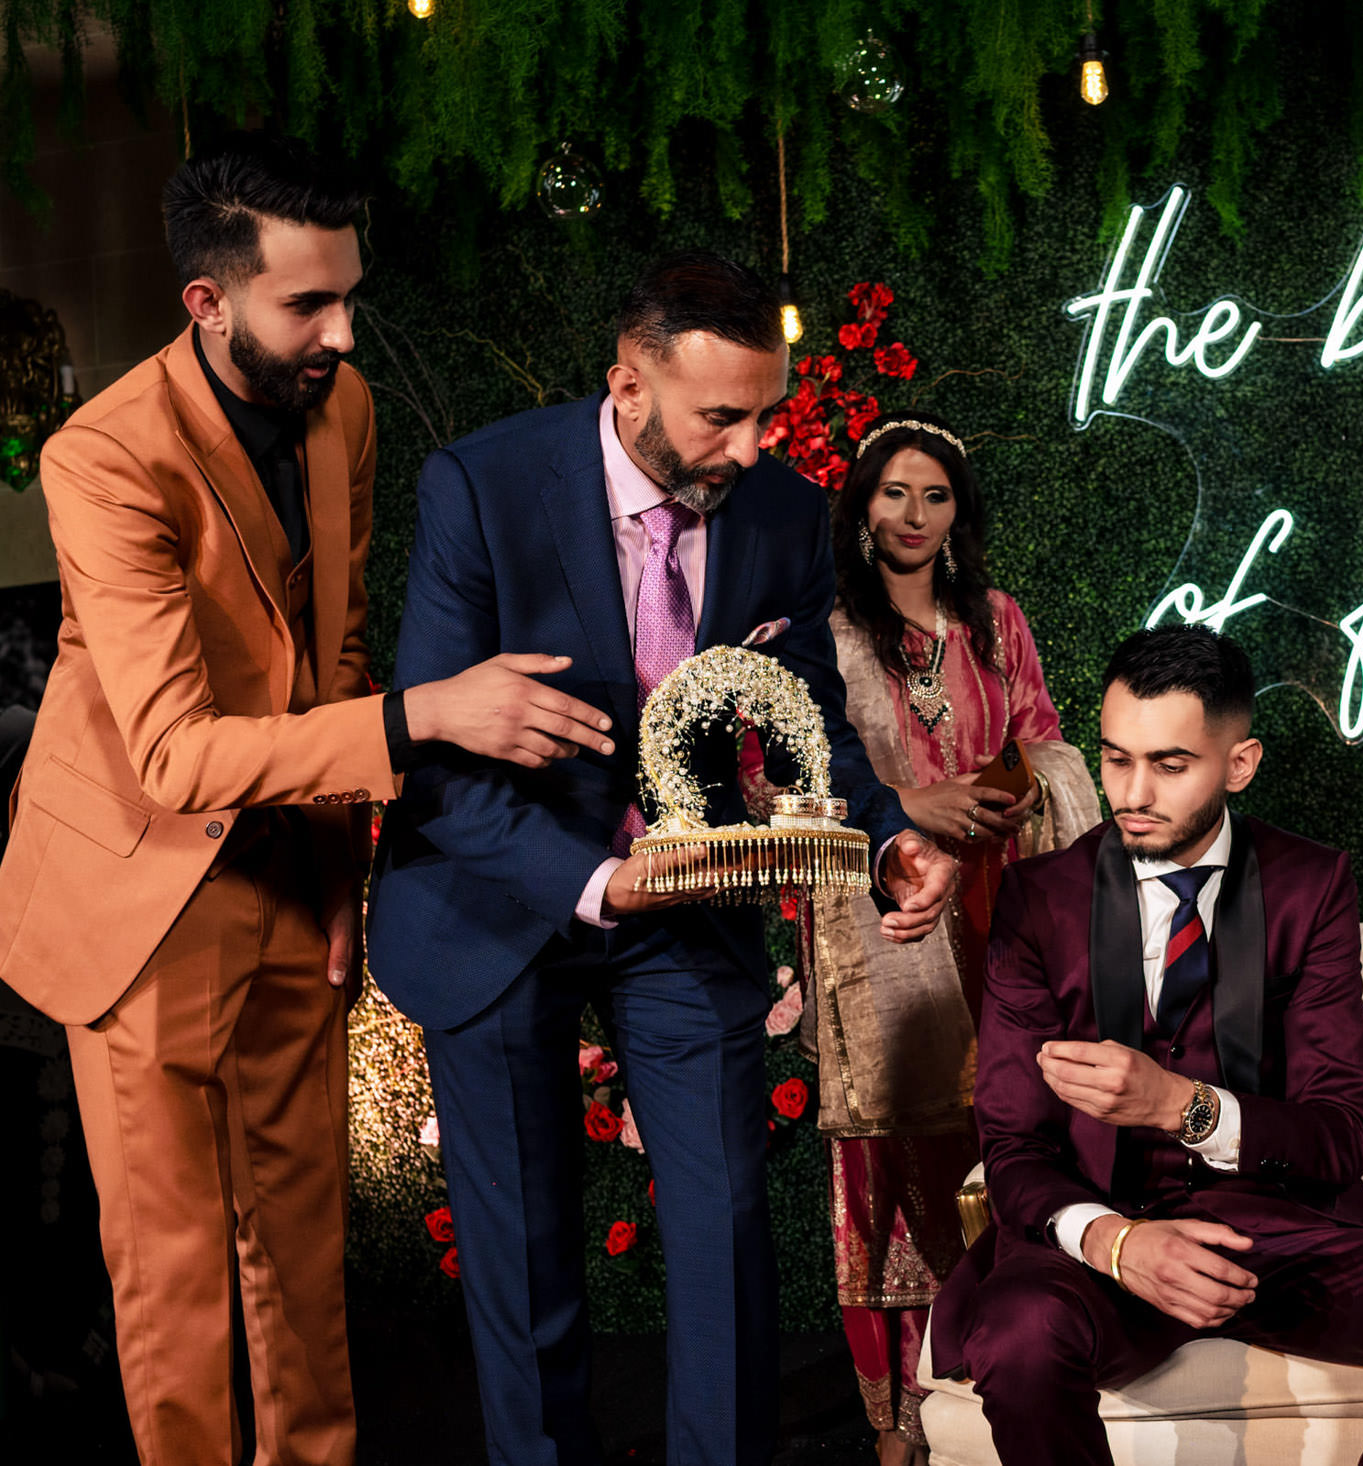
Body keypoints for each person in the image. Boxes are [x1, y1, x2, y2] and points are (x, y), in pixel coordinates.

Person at [0, 132, 616, 1466]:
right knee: (176, 1282)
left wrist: (345, 880)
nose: (342, 331)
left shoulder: (344, 407)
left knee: (303, 1254)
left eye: (350, 295)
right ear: (206, 301)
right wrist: (426, 715)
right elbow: (174, 753)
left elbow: (332, 647)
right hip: (142, 897)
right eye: (307, 304)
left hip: (294, 877)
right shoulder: (102, 458)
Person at [365, 251, 957, 1466]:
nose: (751, 447)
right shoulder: (481, 485)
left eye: (767, 414)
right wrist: (593, 881)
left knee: (726, 1225)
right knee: (524, 1254)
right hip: (499, 897)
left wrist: (888, 837)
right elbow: (437, 754)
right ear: (628, 384)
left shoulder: (782, 510)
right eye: (721, 417)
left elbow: (807, 719)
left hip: (684, 905)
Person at [926, 626, 1363, 1466]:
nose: (1132, 793)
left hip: (1272, 1233)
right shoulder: (1041, 899)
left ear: (1239, 764)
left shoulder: (1308, 885)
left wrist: (1182, 1106)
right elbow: (1011, 1142)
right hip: (1103, 1239)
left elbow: (1340, 1133)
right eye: (1116, 760)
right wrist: (1117, 1243)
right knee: (1018, 1333)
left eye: (1170, 765)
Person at [738, 413, 1101, 1463]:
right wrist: (903, 806)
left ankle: (1003, 1384)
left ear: (958, 512)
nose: (913, 514)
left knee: (1007, 1128)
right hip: (881, 917)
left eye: (935, 495)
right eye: (893, 491)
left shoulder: (995, 621)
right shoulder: (822, 629)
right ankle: (896, 1422)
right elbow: (769, 780)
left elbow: (1046, 744)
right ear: (861, 504)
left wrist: (999, 795)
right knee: (887, 1158)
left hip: (999, 910)